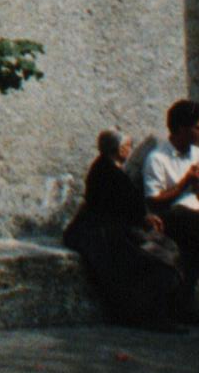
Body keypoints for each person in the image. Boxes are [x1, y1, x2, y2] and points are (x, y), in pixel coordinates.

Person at [61, 129, 188, 331]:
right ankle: (152, 315)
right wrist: (145, 218)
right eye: (128, 146)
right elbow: (122, 207)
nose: (130, 149)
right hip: (103, 233)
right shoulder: (110, 173)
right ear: (119, 149)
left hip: (106, 228)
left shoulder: (106, 168)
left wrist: (144, 217)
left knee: (165, 249)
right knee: (158, 259)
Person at [133, 98, 199, 329]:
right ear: (182, 128)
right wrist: (184, 184)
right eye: (198, 128)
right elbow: (154, 200)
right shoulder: (157, 158)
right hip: (172, 216)